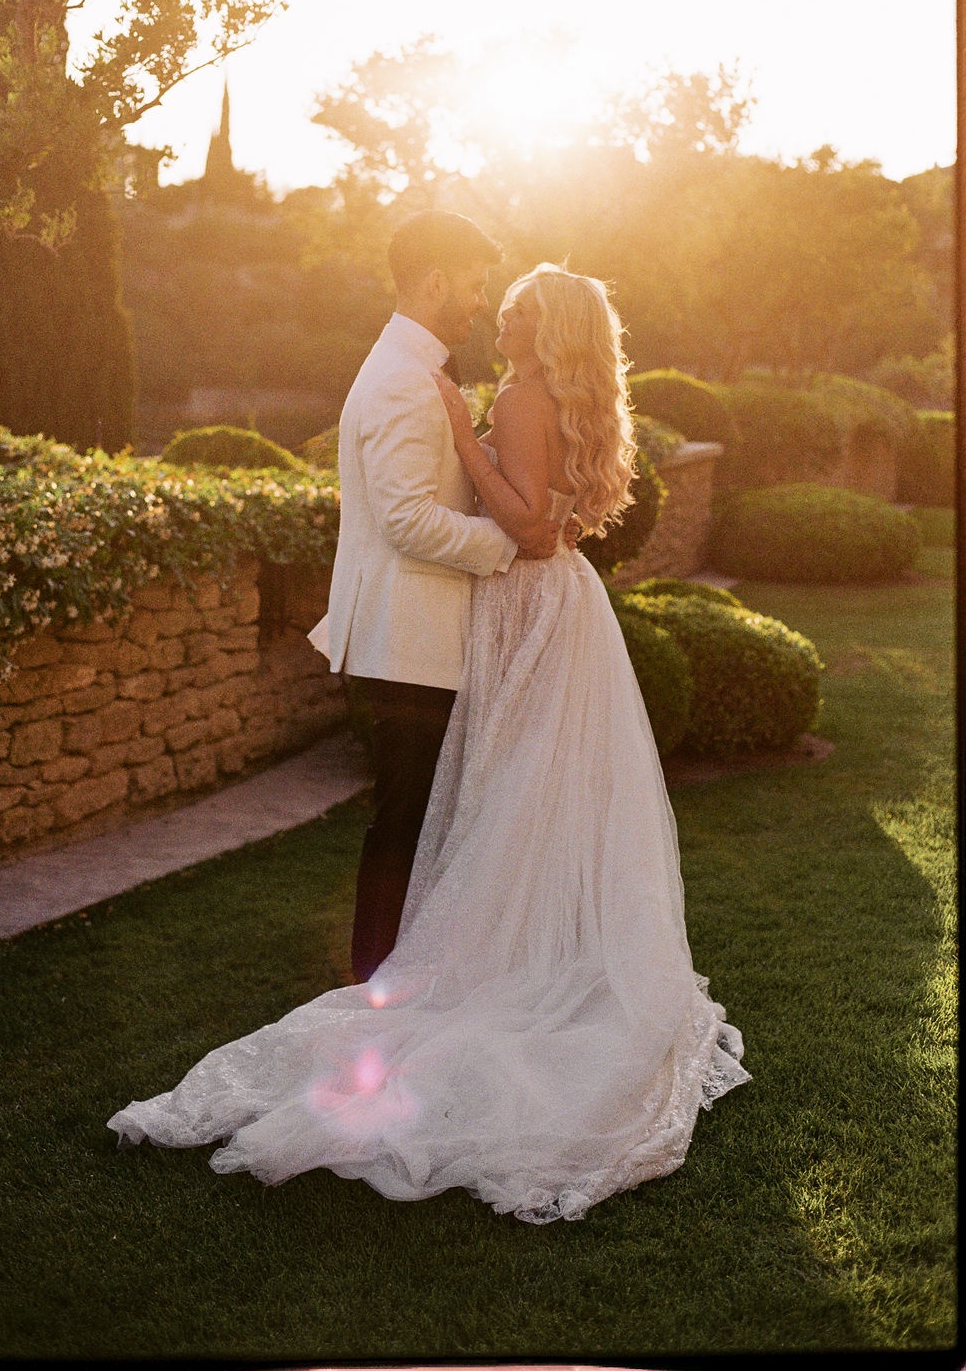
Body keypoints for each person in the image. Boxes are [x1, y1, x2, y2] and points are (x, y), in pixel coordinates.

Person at [108, 262, 749, 1224]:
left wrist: (462, 430)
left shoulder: (526, 395)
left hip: (530, 600)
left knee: (509, 790)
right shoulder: (567, 399)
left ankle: (477, 970)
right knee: (533, 794)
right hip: (569, 610)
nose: (503, 321)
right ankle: (525, 950)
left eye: (520, 313)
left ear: (549, 329)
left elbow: (528, 530)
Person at [306, 210, 568, 983]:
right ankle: (374, 986)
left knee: (419, 823)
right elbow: (405, 519)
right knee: (404, 826)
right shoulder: (400, 380)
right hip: (406, 639)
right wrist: (509, 544)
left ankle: (397, 978)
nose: (481, 301)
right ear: (435, 279)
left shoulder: (417, 368)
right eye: (477, 284)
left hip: (416, 637)